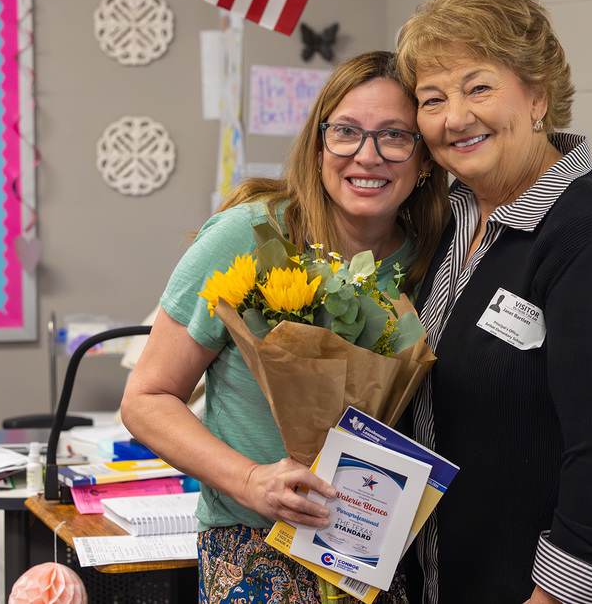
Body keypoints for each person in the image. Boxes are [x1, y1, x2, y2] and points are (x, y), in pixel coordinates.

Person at [120, 50, 450, 603]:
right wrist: (251, 481)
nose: (367, 157)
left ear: (423, 161)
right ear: (318, 146)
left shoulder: (436, 263)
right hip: (253, 548)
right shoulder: (247, 238)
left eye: (395, 136)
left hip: (383, 557)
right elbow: (147, 399)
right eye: (346, 132)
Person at [395, 0, 592, 603]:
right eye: (433, 98)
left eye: (479, 88)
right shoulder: (455, 219)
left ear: (537, 97)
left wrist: (553, 597)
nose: (455, 117)